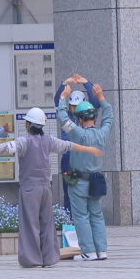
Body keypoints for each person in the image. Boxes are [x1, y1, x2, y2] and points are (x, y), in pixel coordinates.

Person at [0, 108, 101, 268]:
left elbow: (5, 147)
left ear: (28, 124)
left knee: (29, 223)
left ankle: (32, 259)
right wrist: (88, 149)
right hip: (46, 188)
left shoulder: (24, 141)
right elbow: (68, 145)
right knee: (47, 223)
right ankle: (49, 258)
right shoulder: (49, 141)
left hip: (29, 189)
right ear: (41, 125)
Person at [57, 82, 113, 261]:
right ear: (94, 118)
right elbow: (109, 117)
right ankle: (102, 250)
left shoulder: (77, 134)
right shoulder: (102, 133)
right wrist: (101, 98)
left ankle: (88, 251)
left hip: (78, 180)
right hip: (96, 179)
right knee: (96, 215)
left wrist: (63, 98)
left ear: (80, 119)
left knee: (81, 216)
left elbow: (62, 117)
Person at [55, 75, 97, 215]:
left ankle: (85, 219)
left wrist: (86, 83)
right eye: (72, 106)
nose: (74, 108)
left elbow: (95, 101)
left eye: (77, 106)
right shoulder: (66, 116)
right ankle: (69, 221)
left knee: (86, 191)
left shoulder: (89, 116)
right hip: (69, 158)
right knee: (69, 190)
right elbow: (57, 101)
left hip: (85, 159)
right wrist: (64, 83)